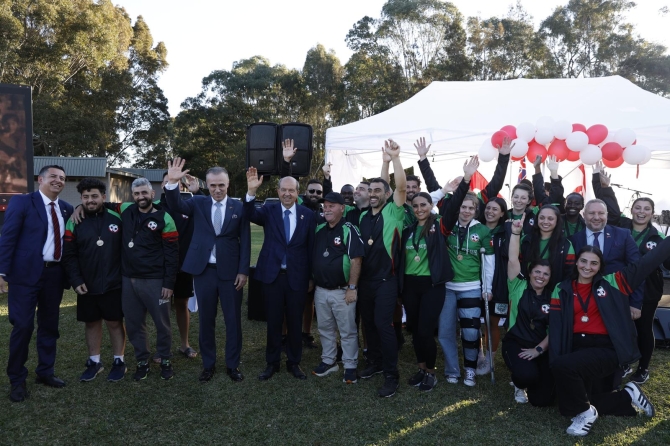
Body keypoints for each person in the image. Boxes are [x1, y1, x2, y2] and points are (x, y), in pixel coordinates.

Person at [549, 240, 667, 436]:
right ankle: (627, 396)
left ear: (600, 266)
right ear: (576, 263)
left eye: (593, 263)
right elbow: (555, 328)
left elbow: (647, 262)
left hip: (607, 349)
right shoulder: (561, 289)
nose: (588, 267)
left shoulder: (614, 282)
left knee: (567, 373)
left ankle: (587, 414)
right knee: (567, 407)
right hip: (579, 348)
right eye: (583, 261)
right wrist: (556, 360)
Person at [165, 159, 251, 383]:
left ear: (228, 183)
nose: (217, 189)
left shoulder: (239, 207)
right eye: (213, 185)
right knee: (206, 320)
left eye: (221, 185)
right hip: (204, 271)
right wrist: (173, 183)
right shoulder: (198, 203)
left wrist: (243, 271)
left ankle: (232, 365)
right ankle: (208, 365)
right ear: (208, 185)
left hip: (231, 273)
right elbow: (176, 206)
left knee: (233, 321)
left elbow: (246, 241)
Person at [0, 165, 74, 402]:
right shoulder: (23, 202)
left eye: (62, 178)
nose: (58, 180)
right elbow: (8, 237)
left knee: (49, 326)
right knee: (23, 326)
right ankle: (17, 379)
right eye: (53, 176)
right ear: (40, 179)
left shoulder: (66, 208)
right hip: (24, 276)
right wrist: (1, 272)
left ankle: (45, 372)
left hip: (54, 276)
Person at [592, 171, 670, 384]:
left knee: (643, 328)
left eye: (646, 209)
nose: (641, 212)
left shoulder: (659, 237)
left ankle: (643, 368)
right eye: (638, 208)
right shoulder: (621, 226)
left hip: (648, 292)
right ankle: (623, 362)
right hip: (619, 287)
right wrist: (604, 186)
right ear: (632, 210)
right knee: (620, 326)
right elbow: (607, 206)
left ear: (652, 213)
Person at [401, 159, 472, 391]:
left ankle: (431, 372)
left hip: (432, 286)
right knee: (414, 330)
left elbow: (453, 206)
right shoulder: (409, 230)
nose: (419, 209)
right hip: (410, 286)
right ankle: (421, 368)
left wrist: (466, 180)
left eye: (423, 204)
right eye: (416, 206)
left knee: (425, 331)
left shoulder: (440, 225)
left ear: (430, 206)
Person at [101, 178, 180, 381]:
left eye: (144, 193)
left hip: (155, 280)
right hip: (128, 280)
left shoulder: (165, 218)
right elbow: (101, 204)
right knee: (135, 324)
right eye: (136, 194)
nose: (140, 197)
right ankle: (142, 361)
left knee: (162, 324)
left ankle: (165, 360)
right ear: (132, 195)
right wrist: (78, 209)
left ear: (152, 194)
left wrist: (169, 284)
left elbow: (172, 255)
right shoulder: (126, 208)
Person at [244, 168, 316, 381]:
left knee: (295, 322)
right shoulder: (269, 210)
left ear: (297, 192)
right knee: (274, 321)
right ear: (277, 191)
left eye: (291, 190)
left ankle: (294, 362)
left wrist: (311, 277)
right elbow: (249, 214)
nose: (287, 193)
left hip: (298, 277)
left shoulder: (308, 215)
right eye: (283, 190)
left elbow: (311, 248)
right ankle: (272, 362)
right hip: (272, 277)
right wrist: (250, 192)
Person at [62, 178, 127, 382]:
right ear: (81, 199)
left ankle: (119, 360)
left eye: (94, 196)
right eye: (86, 197)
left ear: (103, 197)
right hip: (86, 282)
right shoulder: (74, 220)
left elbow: (144, 205)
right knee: (91, 322)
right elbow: (69, 254)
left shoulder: (118, 215)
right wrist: (76, 279)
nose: (90, 201)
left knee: (115, 321)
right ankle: (94, 361)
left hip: (114, 281)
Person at [438, 156, 494, 387]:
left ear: (476, 210)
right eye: (463, 206)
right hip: (448, 288)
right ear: (457, 207)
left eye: (472, 208)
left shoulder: (482, 231)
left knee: (471, 334)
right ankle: (452, 369)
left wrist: (487, 288)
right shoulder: (447, 226)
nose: (467, 211)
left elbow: (489, 263)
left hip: (471, 287)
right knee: (445, 331)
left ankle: (470, 369)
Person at [358, 139, 406, 398]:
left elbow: (397, 186)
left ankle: (391, 374)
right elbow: (384, 184)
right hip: (365, 281)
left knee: (382, 324)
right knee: (368, 324)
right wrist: (384, 162)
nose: (374, 192)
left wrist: (394, 159)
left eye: (379, 190)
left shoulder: (394, 212)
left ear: (386, 195)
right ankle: (374, 363)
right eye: (371, 189)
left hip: (387, 280)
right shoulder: (364, 216)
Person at [310, 192, 364, 384]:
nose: (327, 208)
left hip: (342, 291)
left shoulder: (349, 229)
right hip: (321, 290)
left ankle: (350, 365)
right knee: (324, 328)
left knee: (347, 330)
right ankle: (329, 361)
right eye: (325, 205)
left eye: (332, 205)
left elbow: (356, 260)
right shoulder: (320, 229)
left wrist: (352, 287)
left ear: (342, 208)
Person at [502, 214, 554, 406]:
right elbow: (513, 259)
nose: (541, 276)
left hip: (541, 346)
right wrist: (515, 233)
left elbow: (555, 328)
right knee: (526, 376)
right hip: (516, 343)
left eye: (545, 274)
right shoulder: (518, 286)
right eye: (537, 272)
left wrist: (538, 350)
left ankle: (533, 377)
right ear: (530, 273)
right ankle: (518, 383)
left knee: (543, 401)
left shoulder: (552, 296)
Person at [159, 171, 199, 361]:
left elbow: (206, 210)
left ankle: (185, 344)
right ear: (162, 186)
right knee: (162, 307)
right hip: (160, 268)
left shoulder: (189, 208)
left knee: (182, 304)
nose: (171, 185)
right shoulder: (154, 208)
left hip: (184, 266)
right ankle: (162, 348)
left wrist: (197, 192)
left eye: (175, 183)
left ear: (181, 187)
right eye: (167, 182)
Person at [476, 197, 508, 376]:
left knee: (492, 322)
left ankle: (490, 359)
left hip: (498, 283)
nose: (490, 212)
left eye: (495, 209)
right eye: (488, 208)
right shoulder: (476, 229)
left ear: (502, 213)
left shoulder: (505, 231)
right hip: (475, 280)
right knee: (474, 321)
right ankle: (479, 354)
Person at [519, 205, 575, 288]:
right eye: (541, 218)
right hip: (526, 291)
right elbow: (518, 265)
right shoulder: (525, 240)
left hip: (553, 293)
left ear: (557, 221)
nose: (545, 221)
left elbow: (569, 273)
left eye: (550, 219)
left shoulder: (566, 244)